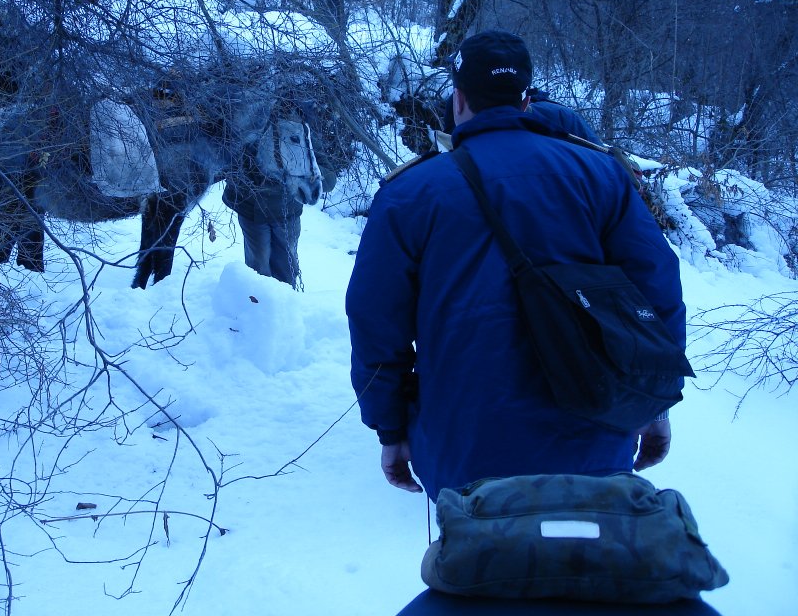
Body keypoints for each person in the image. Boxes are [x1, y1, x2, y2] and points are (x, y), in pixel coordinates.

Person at [347, 30, 685, 501]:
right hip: (595, 430)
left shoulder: (410, 193)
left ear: (459, 99)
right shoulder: (602, 175)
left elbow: (375, 321)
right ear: (527, 99)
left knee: (477, 571)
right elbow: (658, 292)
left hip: (463, 444)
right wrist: (658, 402)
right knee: (588, 566)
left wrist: (389, 427)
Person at [222, 127, 337, 288]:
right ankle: (256, 306)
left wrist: (304, 169)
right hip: (253, 212)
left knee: (286, 270)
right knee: (257, 269)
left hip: (287, 214)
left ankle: (285, 305)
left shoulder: (301, 131)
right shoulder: (252, 123)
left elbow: (330, 180)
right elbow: (228, 165)